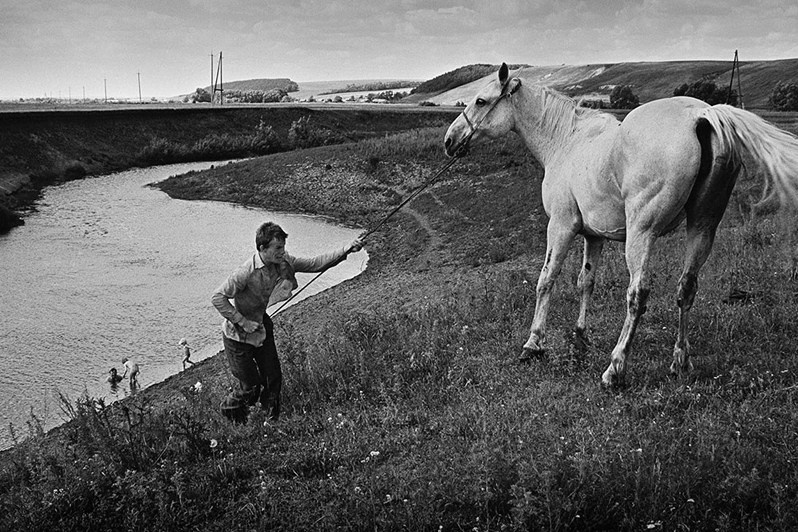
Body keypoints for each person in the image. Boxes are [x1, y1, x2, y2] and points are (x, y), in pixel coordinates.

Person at [212, 221, 363, 422]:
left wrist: (347, 249)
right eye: (277, 248)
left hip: (261, 328)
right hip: (236, 336)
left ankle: (270, 421)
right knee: (251, 388)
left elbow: (315, 264)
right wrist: (242, 322)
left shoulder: (283, 262)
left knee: (273, 378)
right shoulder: (245, 272)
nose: (282, 252)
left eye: (283, 247)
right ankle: (231, 417)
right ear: (262, 248)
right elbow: (218, 298)